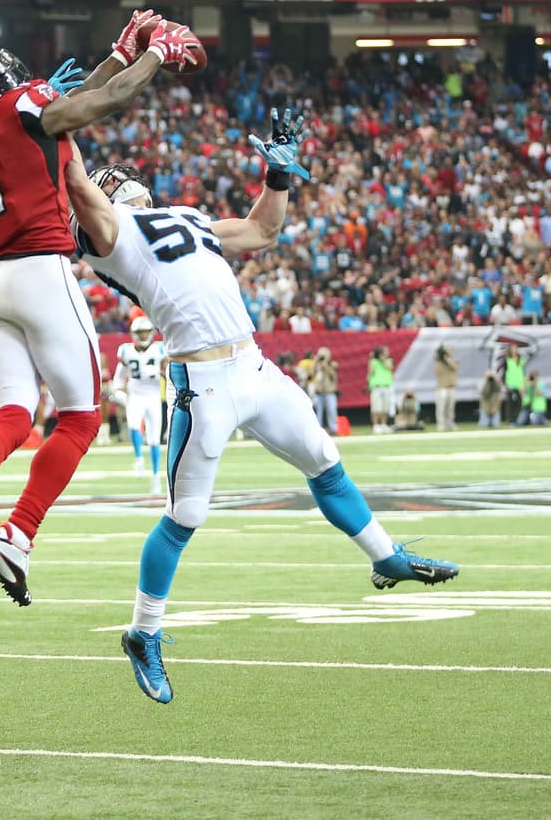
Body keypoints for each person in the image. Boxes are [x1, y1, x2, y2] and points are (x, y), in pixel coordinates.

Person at [66, 106, 458, 704]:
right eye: (110, 180)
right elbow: (77, 187)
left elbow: (261, 231)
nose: (122, 179)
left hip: (253, 362)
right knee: (187, 514)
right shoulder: (109, 235)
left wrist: (276, 179)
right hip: (203, 380)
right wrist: (55, 123)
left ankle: (386, 558)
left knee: (325, 459)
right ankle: (142, 633)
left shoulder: (185, 217)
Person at [0, 11, 201, 606]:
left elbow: (61, 106)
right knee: (79, 417)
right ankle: (19, 531)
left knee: (15, 416)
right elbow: (96, 104)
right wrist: (155, 58)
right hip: (41, 269)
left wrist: (120, 53)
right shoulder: (20, 106)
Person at [111, 315, 166, 496]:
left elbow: (167, 370)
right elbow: (120, 373)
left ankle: (156, 476)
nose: (143, 336)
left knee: (154, 438)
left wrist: (162, 373)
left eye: (146, 332)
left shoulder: (160, 349)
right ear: (135, 334)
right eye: (140, 333)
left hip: (153, 394)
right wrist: (117, 388)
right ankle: (139, 458)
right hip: (135, 393)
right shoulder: (126, 351)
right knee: (134, 425)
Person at [311, 347, 340, 436]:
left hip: (330, 392)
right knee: (318, 412)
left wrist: (326, 364)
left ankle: (334, 429)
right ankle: (317, 430)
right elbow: (312, 374)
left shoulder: (333, 364)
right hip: (319, 392)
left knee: (332, 411)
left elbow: (333, 376)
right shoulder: (317, 365)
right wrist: (315, 362)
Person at [367, 346, 395, 434]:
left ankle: (383, 424)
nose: (387, 353)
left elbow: (389, 368)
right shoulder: (373, 361)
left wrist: (383, 360)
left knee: (385, 407)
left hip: (386, 386)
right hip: (377, 387)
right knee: (376, 407)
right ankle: (376, 425)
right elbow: (371, 372)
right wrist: (372, 359)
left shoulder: (389, 360)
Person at [499, 343, 527, 425]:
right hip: (510, 384)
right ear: (510, 350)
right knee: (510, 403)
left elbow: (523, 373)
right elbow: (504, 372)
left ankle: (517, 419)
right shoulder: (507, 360)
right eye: (513, 348)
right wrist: (505, 383)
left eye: (516, 348)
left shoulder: (521, 359)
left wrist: (523, 385)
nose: (514, 350)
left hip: (520, 385)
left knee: (519, 403)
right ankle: (510, 420)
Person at [434, 344, 459, 431]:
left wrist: (448, 360)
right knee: (441, 406)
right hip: (442, 387)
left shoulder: (453, 361)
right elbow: (437, 372)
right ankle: (441, 423)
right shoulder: (439, 362)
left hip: (451, 386)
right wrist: (441, 359)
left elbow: (456, 368)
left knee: (450, 407)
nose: (450, 352)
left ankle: (450, 423)